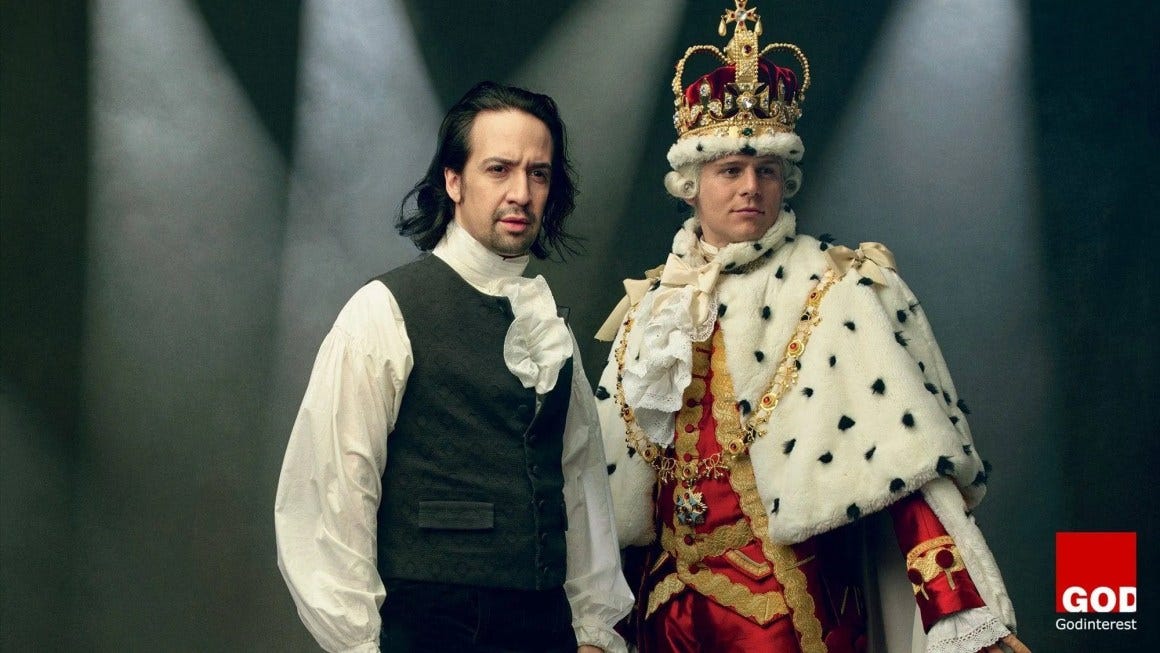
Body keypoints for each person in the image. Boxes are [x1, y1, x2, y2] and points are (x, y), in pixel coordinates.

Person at [593, 3, 1030, 652]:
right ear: (690, 183)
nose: (750, 188)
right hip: (667, 614)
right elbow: (615, 501)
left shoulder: (836, 289)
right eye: (730, 170)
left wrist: (960, 614)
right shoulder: (650, 308)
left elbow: (905, 469)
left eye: (766, 171)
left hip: (790, 614)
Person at [275, 81, 633, 653]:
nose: (522, 193)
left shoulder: (548, 327)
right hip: (429, 629)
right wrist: (359, 643)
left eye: (538, 173)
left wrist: (593, 629)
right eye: (499, 169)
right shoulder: (384, 310)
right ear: (453, 180)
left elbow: (580, 482)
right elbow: (330, 492)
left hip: (545, 627)